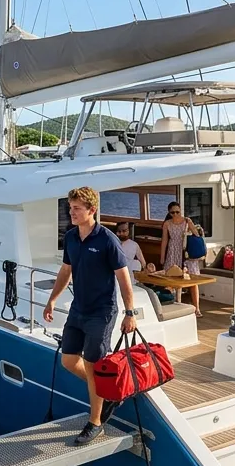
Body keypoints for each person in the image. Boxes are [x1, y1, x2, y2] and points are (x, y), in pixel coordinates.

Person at [42, 186, 137, 446]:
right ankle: (107, 391)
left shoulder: (107, 239)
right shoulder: (72, 237)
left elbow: (124, 277)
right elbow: (65, 270)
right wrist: (52, 299)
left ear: (91, 210)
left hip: (102, 312)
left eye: (77, 209)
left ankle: (95, 423)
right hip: (78, 308)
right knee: (69, 361)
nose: (71, 212)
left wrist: (130, 313)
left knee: (94, 364)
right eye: (70, 208)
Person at [158, 201, 200, 315]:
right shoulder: (167, 223)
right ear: (169, 213)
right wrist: (162, 257)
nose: (175, 214)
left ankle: (197, 308)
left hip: (185, 251)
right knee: (171, 279)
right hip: (173, 251)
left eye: (177, 212)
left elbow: (197, 235)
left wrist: (191, 225)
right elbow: (164, 241)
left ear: (181, 211)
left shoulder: (186, 221)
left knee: (192, 281)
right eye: (173, 213)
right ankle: (175, 304)